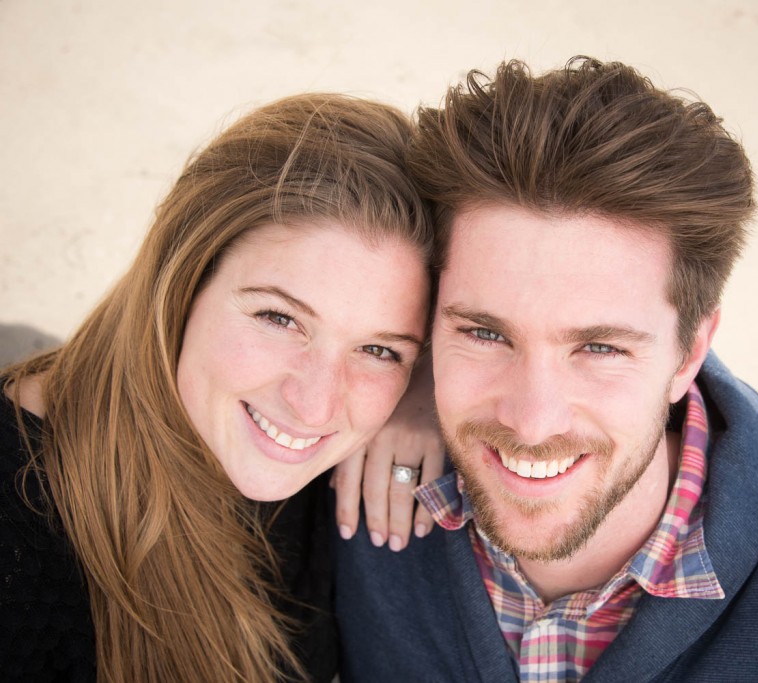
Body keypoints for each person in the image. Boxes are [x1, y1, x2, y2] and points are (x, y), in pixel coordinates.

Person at [331, 57, 758, 681]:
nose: (531, 419)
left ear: (690, 351)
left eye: (600, 347)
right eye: (484, 333)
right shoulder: (343, 501)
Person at [1, 93, 441, 682]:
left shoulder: (344, 466)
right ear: (181, 280)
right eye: (278, 318)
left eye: (379, 349)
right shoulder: (22, 543)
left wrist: (433, 399)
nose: (314, 404)